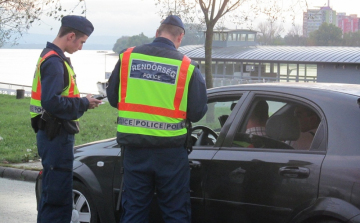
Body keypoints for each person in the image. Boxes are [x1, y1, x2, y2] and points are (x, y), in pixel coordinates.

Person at [106, 15, 207, 223]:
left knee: (134, 210)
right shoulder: (187, 67)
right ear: (180, 37)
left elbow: (114, 99)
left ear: (157, 33)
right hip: (171, 153)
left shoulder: (128, 58)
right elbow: (197, 112)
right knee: (175, 212)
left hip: (135, 151)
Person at [30, 15, 101, 223]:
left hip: (51, 134)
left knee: (51, 197)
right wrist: (84, 104)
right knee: (58, 201)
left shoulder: (49, 56)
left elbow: (55, 99)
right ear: (71, 36)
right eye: (81, 42)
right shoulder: (54, 62)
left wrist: (82, 101)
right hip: (56, 136)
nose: (81, 47)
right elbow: (51, 102)